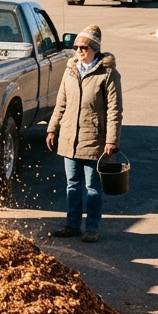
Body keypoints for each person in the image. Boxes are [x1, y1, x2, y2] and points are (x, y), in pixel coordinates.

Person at [46, 24, 122, 243]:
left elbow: (115, 110)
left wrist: (111, 140)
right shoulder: (70, 71)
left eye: (84, 47)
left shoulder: (107, 74)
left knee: (92, 186)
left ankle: (92, 228)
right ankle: (71, 225)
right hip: (69, 138)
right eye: (77, 47)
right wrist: (52, 128)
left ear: (95, 49)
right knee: (72, 184)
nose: (79, 50)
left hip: (94, 139)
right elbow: (61, 102)